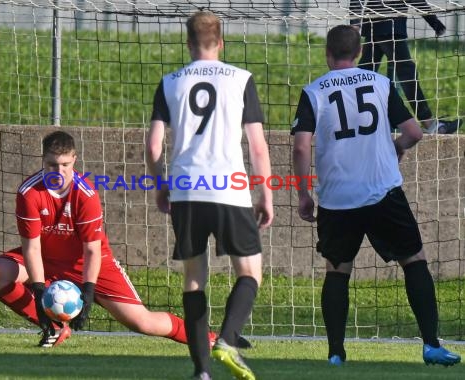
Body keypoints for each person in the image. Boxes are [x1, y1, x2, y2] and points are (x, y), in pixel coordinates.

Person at [291, 24, 461, 367]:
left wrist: (305, 193)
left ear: (328, 53)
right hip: (382, 191)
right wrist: (395, 147)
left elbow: (300, 147)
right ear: (358, 53)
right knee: (414, 260)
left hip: (338, 198)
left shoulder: (314, 91)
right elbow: (414, 132)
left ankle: (336, 354)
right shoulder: (381, 83)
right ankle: (430, 345)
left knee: (337, 270)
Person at [0, 130, 219, 348]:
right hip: (45, 258)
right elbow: (32, 248)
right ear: (43, 161)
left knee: (143, 322)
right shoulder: (29, 192)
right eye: (52, 165)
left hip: (89, 263)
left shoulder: (85, 194)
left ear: (74, 159)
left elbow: (92, 251)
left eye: (65, 164)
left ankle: (205, 338)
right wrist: (40, 292)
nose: (59, 171)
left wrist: (88, 291)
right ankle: (54, 328)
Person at [146, 10, 273, 380]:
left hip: (186, 188)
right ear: (221, 42)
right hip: (229, 188)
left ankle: (201, 371)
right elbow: (258, 147)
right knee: (250, 272)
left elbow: (154, 146)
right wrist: (264, 194)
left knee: (194, 278)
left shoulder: (170, 82)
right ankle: (229, 340)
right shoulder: (240, 79)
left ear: (188, 43)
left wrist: (161, 186)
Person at [350, 0, 461, 134]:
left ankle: (346, 115)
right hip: (390, 24)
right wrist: (434, 22)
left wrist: (355, 26)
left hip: (375, 24)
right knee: (407, 72)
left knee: (364, 73)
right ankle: (430, 123)